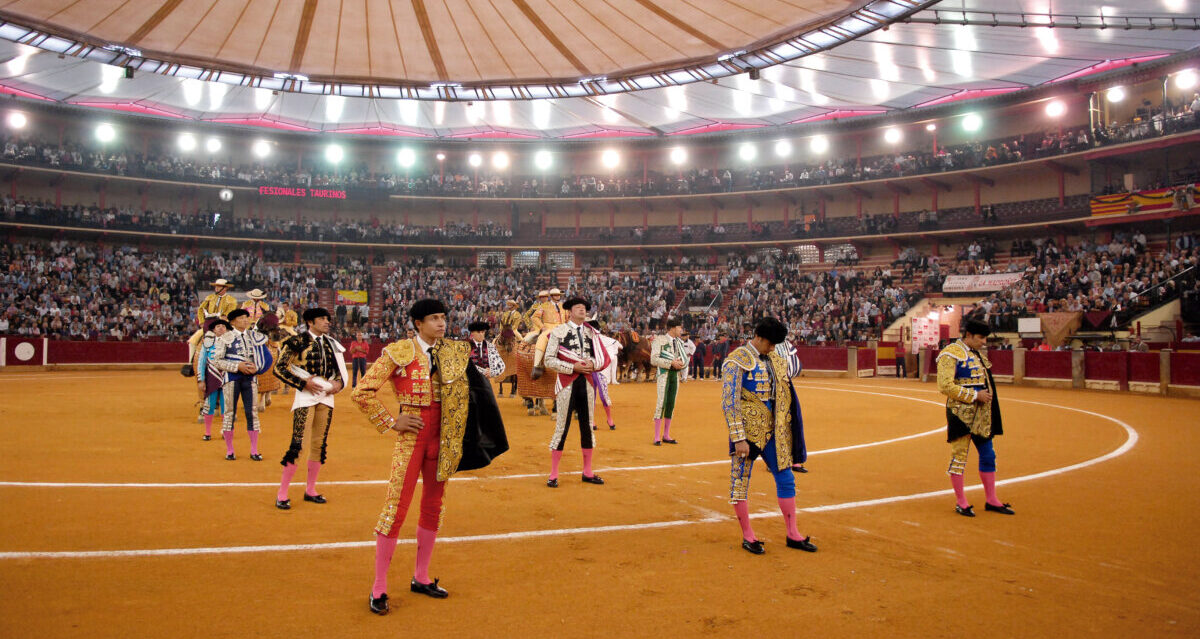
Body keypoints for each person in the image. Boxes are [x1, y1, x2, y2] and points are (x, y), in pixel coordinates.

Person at [351, 299, 507, 615]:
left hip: (443, 439)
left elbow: (479, 389)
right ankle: (379, 586)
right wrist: (391, 420)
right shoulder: (398, 352)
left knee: (434, 507)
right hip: (412, 438)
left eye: (443, 317)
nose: (441, 323)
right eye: (434, 318)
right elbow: (362, 391)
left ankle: (421, 577)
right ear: (418, 323)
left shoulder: (454, 352)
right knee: (396, 508)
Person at [722, 317, 815, 555]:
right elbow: (729, 402)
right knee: (740, 483)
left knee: (786, 479)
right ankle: (748, 536)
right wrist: (738, 437)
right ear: (759, 338)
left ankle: (793, 534)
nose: (773, 348)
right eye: (770, 343)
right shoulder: (736, 360)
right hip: (748, 434)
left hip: (775, 432)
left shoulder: (775, 359)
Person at [271, 307, 348, 509]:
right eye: (322, 319)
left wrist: (339, 384)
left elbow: (339, 373)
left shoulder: (331, 344)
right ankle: (282, 493)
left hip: (326, 396)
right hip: (305, 396)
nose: (327, 322)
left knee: (318, 444)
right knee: (298, 444)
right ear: (310, 322)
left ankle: (310, 490)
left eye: (327, 319)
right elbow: (279, 368)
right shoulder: (297, 341)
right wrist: (302, 383)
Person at [937, 319, 1013, 517]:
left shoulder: (976, 354)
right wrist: (975, 396)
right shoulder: (950, 353)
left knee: (988, 455)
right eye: (980, 338)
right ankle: (961, 502)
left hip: (982, 414)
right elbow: (945, 386)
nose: (983, 342)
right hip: (960, 413)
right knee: (959, 457)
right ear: (968, 335)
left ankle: (992, 500)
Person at [542, 298, 612, 487]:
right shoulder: (558, 332)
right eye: (578, 307)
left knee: (587, 426)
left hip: (587, 384)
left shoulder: (592, 333)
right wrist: (573, 367)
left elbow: (603, 359)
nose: (583, 310)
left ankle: (587, 471)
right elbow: (548, 360)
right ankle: (554, 474)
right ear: (569, 312)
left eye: (585, 308)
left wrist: (592, 365)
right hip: (567, 383)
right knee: (562, 426)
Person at [212, 308, 274, 461]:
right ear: (232, 322)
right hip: (232, 378)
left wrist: (258, 369)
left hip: (250, 379)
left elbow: (266, 358)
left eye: (247, 317)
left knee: (252, 413)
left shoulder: (255, 337)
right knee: (229, 413)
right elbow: (217, 361)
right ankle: (230, 450)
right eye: (241, 318)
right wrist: (237, 367)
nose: (246, 320)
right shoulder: (224, 337)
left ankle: (254, 450)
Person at [650, 318, 688, 445]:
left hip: (674, 376)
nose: (681, 330)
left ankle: (666, 434)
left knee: (671, 404)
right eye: (679, 327)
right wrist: (670, 362)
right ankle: (656, 436)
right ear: (672, 328)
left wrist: (680, 364)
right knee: (661, 403)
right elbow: (654, 360)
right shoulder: (659, 340)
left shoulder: (679, 342)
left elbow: (683, 358)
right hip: (664, 374)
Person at [188, 278, 239, 363]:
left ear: (225, 288)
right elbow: (201, 309)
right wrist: (201, 322)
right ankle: (191, 364)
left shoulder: (231, 300)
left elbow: (229, 313)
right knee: (193, 341)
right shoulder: (210, 298)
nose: (216, 288)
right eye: (216, 286)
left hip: (224, 326)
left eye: (219, 287)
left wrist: (223, 320)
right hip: (209, 324)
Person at [196, 318, 231, 441]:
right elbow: (201, 361)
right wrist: (201, 380)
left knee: (225, 406)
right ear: (214, 330)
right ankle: (207, 432)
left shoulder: (231, 341)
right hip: (212, 376)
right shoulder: (208, 341)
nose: (221, 328)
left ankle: (224, 430)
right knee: (209, 405)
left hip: (227, 376)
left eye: (223, 326)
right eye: (218, 326)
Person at [528, 288, 566, 378]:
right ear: (552, 297)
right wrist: (542, 327)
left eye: (559, 295)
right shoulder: (544, 306)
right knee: (542, 338)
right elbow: (534, 317)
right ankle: (536, 365)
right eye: (556, 295)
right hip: (549, 328)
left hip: (563, 328)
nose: (558, 296)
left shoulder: (564, 306)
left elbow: (568, 318)